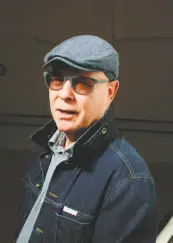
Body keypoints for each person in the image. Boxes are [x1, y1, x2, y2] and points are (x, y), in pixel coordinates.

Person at [16, 35, 159, 243]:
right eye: (56, 80)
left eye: (82, 83)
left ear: (111, 92)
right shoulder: (47, 150)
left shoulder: (129, 182)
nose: (64, 94)